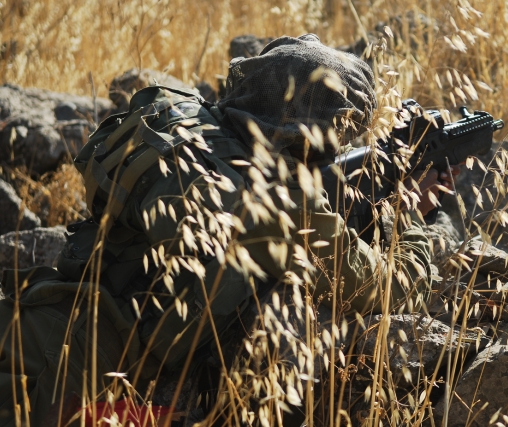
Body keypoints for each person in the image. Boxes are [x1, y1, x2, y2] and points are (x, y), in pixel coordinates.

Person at [0, 34, 459, 426]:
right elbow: (388, 290)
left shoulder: (186, 121)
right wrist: (408, 214)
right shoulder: (277, 206)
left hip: (54, 312)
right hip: (100, 390)